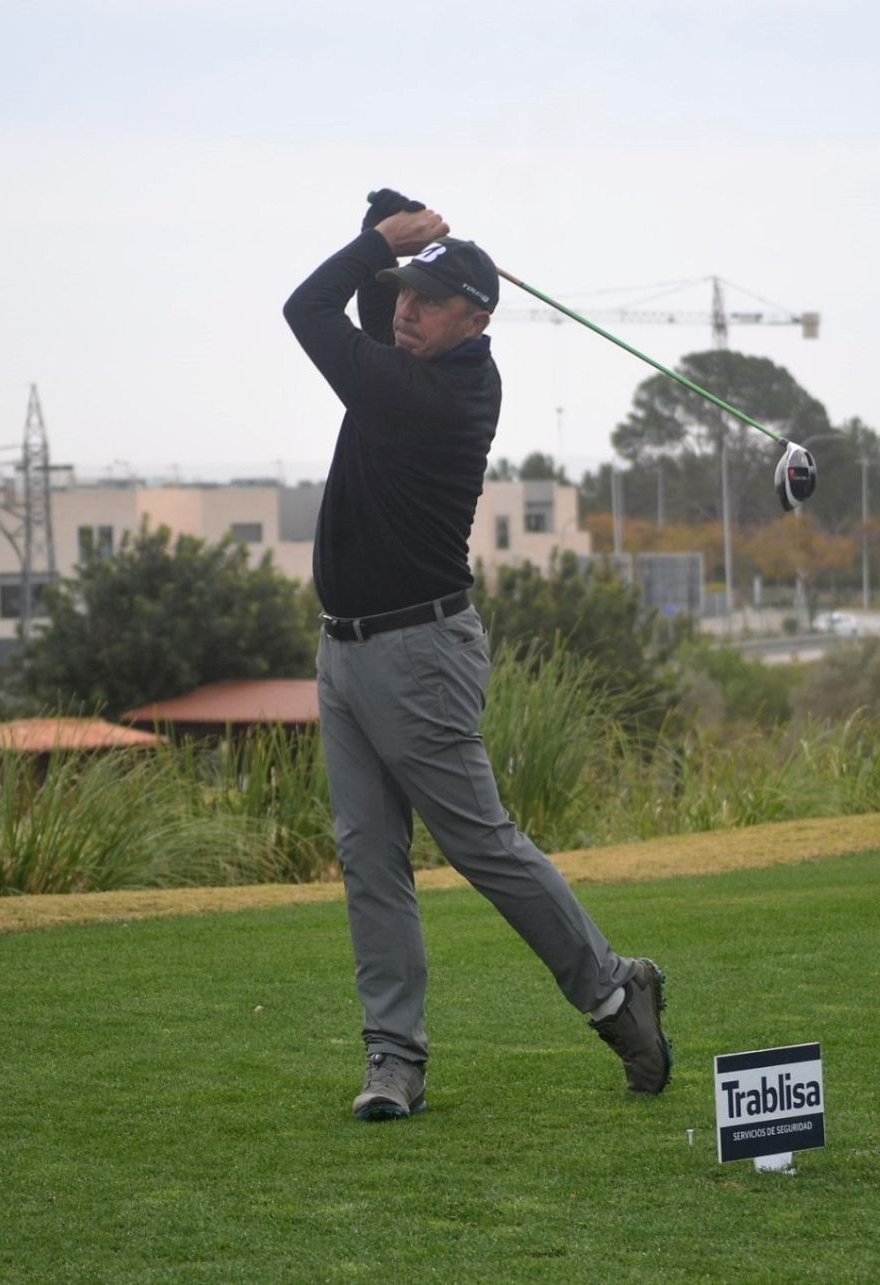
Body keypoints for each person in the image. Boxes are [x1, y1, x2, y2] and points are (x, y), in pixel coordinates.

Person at [283, 190, 672, 1121]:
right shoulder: (416, 359)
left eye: (429, 301)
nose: (406, 311)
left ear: (477, 320)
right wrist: (389, 222)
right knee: (369, 858)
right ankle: (394, 1058)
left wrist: (377, 241)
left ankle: (614, 989)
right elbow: (370, 305)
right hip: (346, 650)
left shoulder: (434, 394)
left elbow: (308, 310)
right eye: (404, 296)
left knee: (480, 845)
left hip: (419, 652)